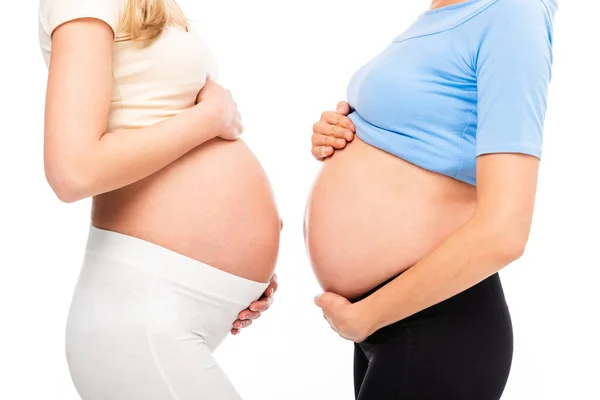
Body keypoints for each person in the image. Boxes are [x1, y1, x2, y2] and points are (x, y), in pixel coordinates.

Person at [306, 0, 557, 398]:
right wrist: (344, 130)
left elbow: (505, 232)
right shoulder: (444, 10)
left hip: (436, 323)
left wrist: (365, 317)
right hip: (391, 323)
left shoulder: (513, 10)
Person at [39, 0, 279, 398]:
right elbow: (72, 172)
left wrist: (237, 275)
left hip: (166, 301)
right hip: (142, 310)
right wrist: (209, 119)